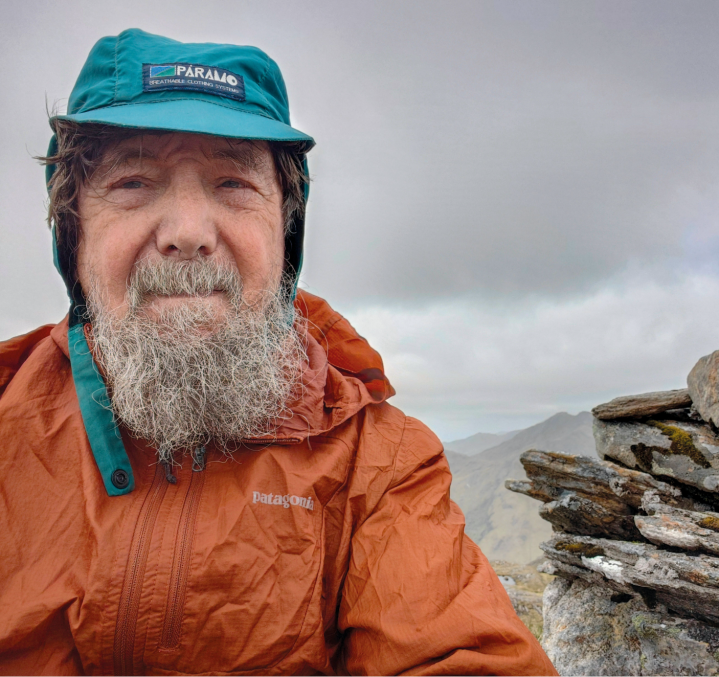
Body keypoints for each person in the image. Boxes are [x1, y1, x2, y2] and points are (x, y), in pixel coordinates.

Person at [0, 28, 556, 675]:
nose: (187, 233)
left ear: (285, 232)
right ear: (74, 233)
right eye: (132, 182)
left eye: (233, 183)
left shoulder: (377, 467)